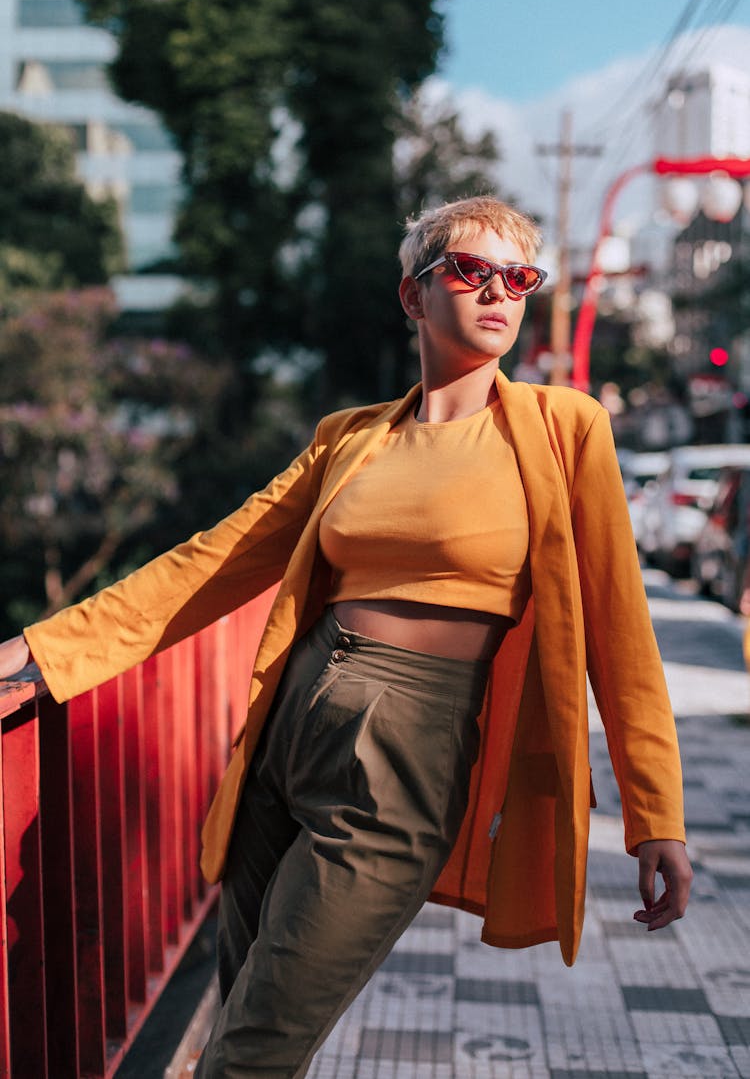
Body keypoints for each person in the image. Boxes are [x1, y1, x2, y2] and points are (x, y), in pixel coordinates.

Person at [0, 196, 692, 1077]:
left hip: (408, 750)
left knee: (255, 1045)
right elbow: (216, 559)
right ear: (414, 295)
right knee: (242, 997)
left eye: (519, 277)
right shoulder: (352, 438)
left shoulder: (564, 430)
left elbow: (621, 631)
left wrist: (654, 814)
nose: (498, 292)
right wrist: (42, 648)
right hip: (289, 728)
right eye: (471, 270)